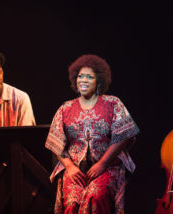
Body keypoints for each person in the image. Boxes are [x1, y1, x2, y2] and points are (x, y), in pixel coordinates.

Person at [45, 54, 139, 214]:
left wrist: (102, 163)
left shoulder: (112, 103)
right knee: (72, 203)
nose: (84, 80)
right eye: (80, 76)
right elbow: (55, 141)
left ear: (99, 81)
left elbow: (124, 135)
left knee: (94, 198)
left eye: (90, 77)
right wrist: (69, 167)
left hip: (107, 167)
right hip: (75, 171)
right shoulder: (65, 108)